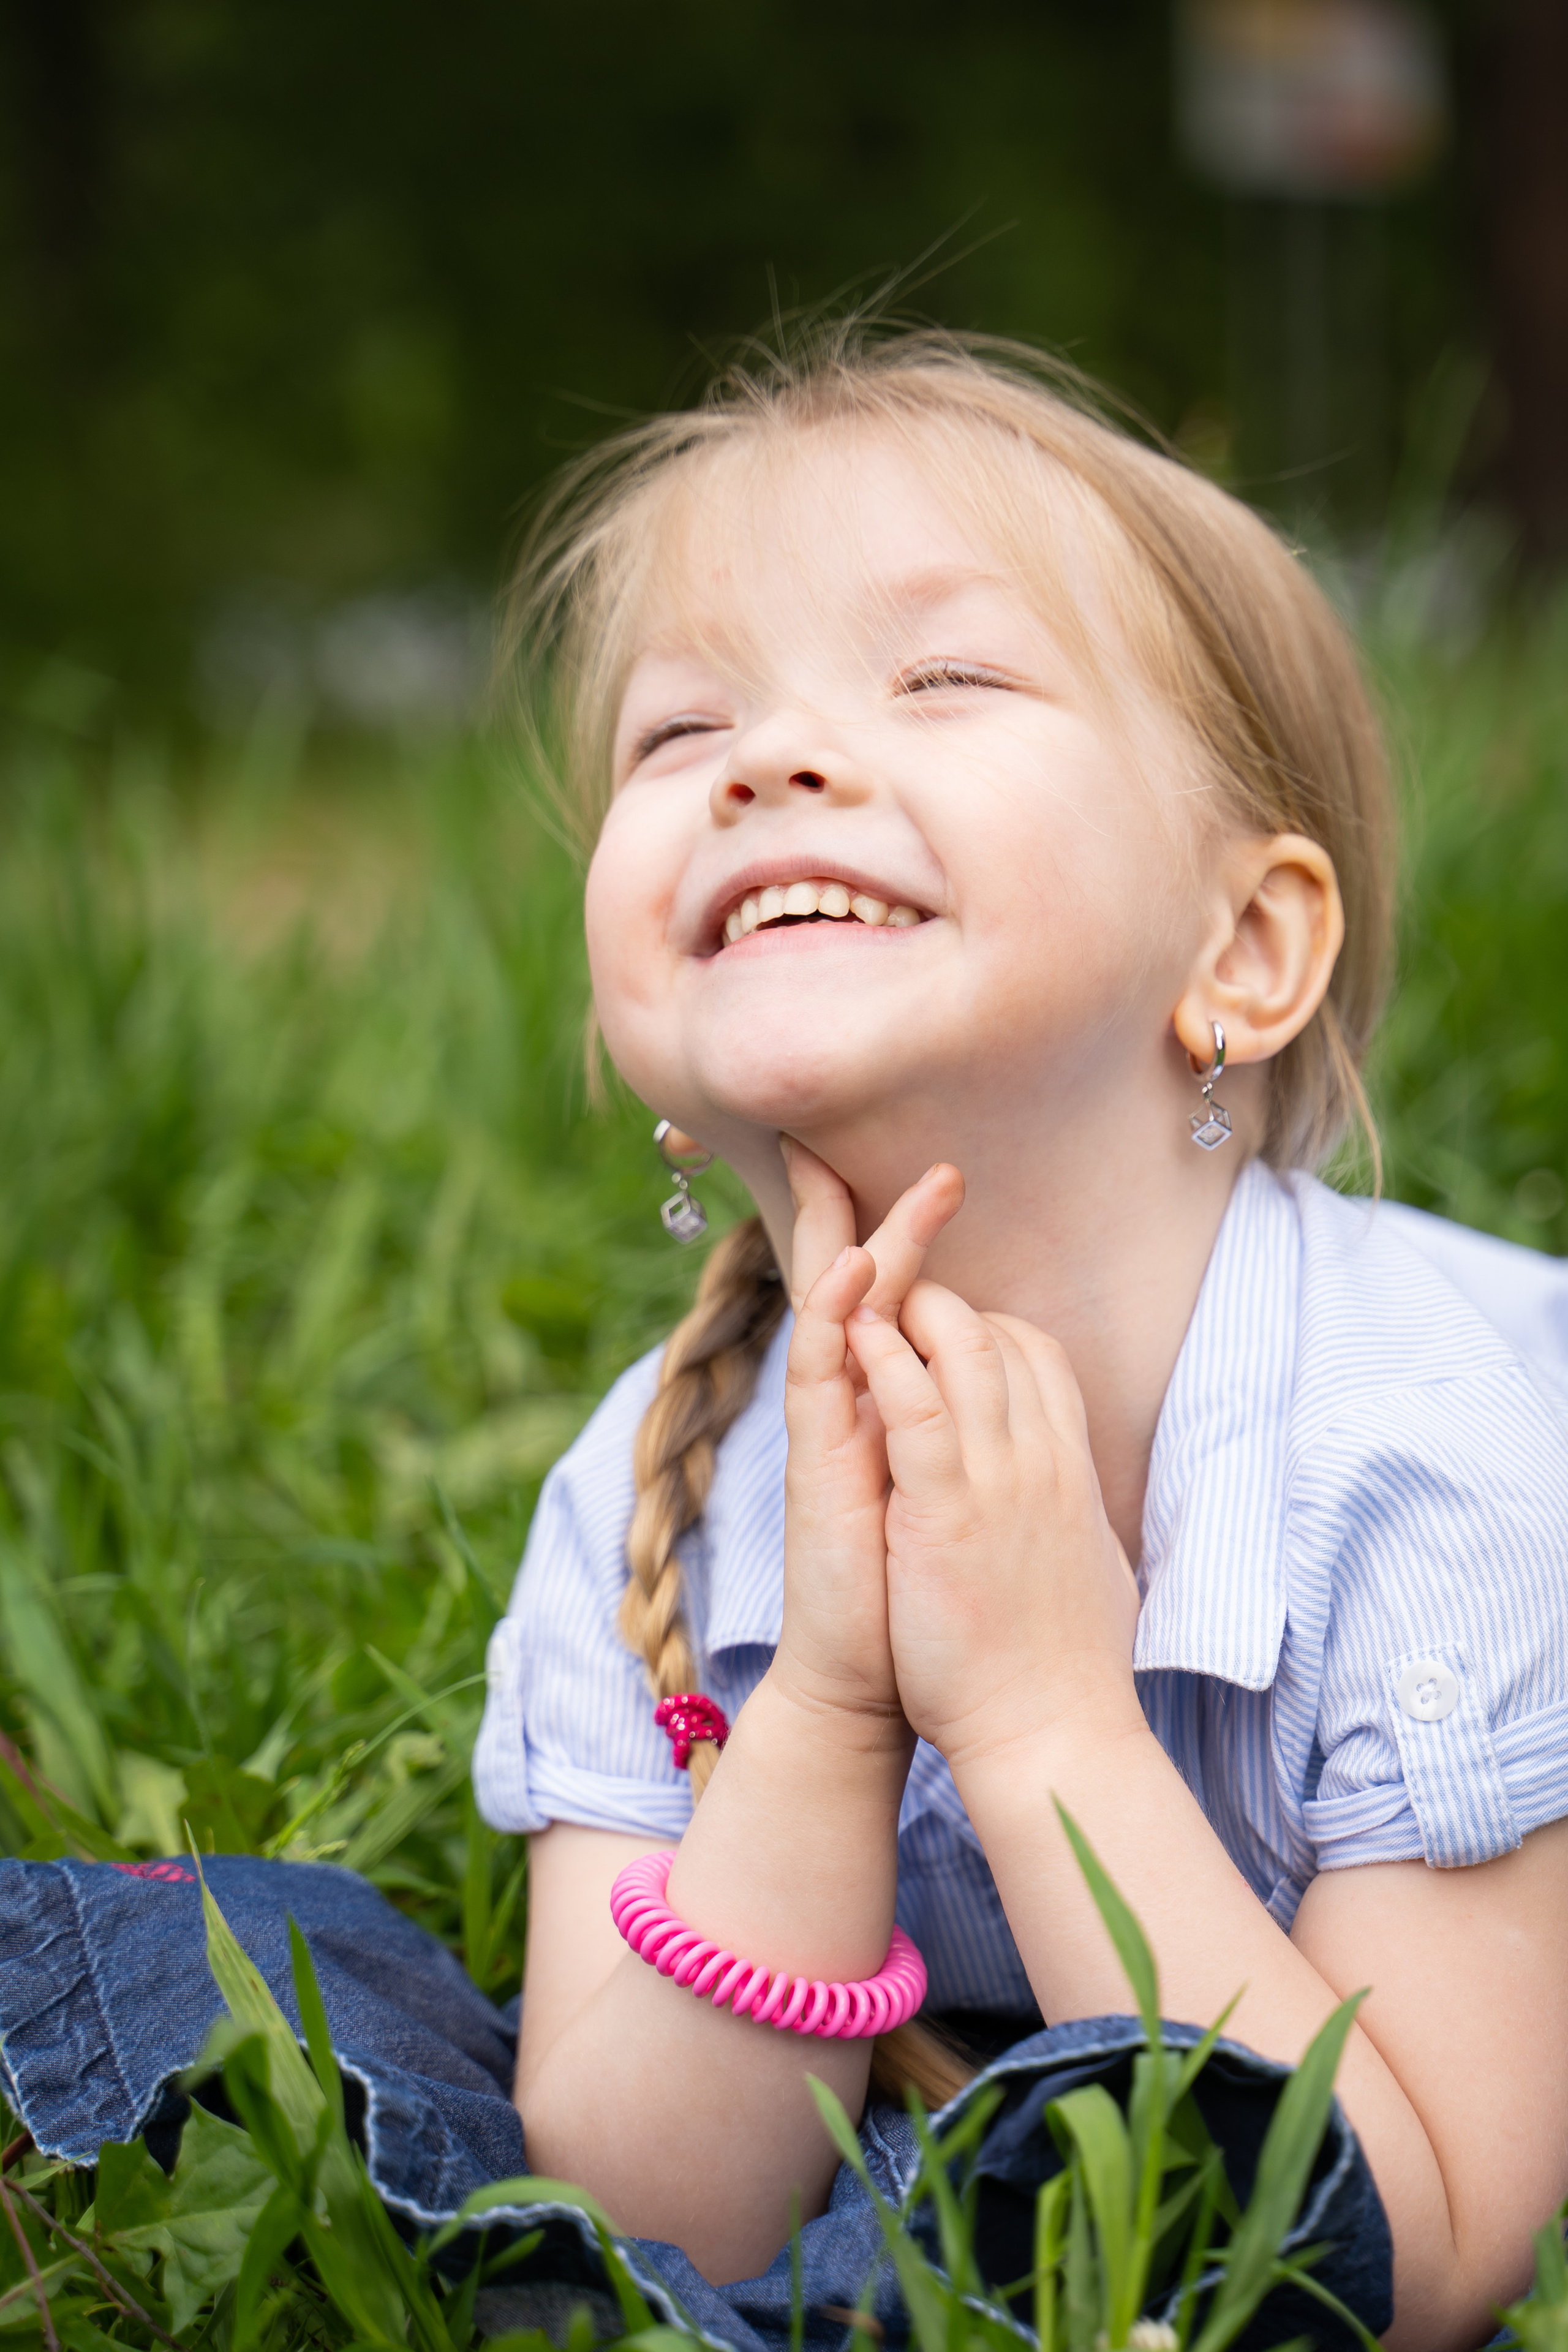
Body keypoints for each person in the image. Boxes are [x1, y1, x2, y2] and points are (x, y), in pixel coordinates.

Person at [470, 323, 1568, 2352]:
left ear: (1242, 948)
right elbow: (632, 2220)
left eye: (946, 678)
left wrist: (1052, 1714)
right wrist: (823, 1711)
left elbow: (1407, 2254)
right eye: (675, 730)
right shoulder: (653, 1486)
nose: (766, 761)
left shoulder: (1444, 1457)